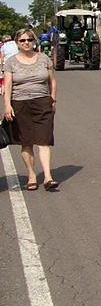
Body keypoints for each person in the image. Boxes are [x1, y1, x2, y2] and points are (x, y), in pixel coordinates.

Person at [2, 29, 59, 191]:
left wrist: (52, 99)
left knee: (43, 140)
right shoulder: (11, 62)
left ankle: (48, 177)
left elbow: (52, 81)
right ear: (17, 43)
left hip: (42, 103)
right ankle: (32, 175)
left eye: (29, 40)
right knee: (26, 143)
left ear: (34, 41)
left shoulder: (43, 58)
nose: (26, 43)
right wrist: (7, 105)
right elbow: (7, 85)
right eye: (22, 40)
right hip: (20, 103)